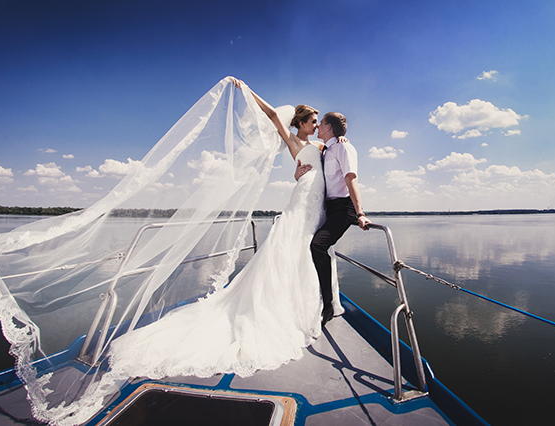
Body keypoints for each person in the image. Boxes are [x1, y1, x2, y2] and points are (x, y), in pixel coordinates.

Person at [107, 79, 344, 380]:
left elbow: (335, 155)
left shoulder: (323, 145)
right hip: (302, 199)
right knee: (292, 247)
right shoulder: (295, 143)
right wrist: (246, 89)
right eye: (313, 121)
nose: (316, 124)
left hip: (317, 201)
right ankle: (287, 310)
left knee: (309, 250)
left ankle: (319, 303)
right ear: (301, 122)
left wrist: (342, 142)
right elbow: (272, 115)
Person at [306, 112, 373, 326]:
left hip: (344, 209)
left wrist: (360, 214)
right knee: (309, 245)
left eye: (321, 123)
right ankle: (315, 298)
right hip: (328, 207)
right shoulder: (327, 149)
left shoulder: (344, 148)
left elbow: (351, 180)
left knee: (318, 245)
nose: (317, 127)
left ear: (328, 127)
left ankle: (329, 305)